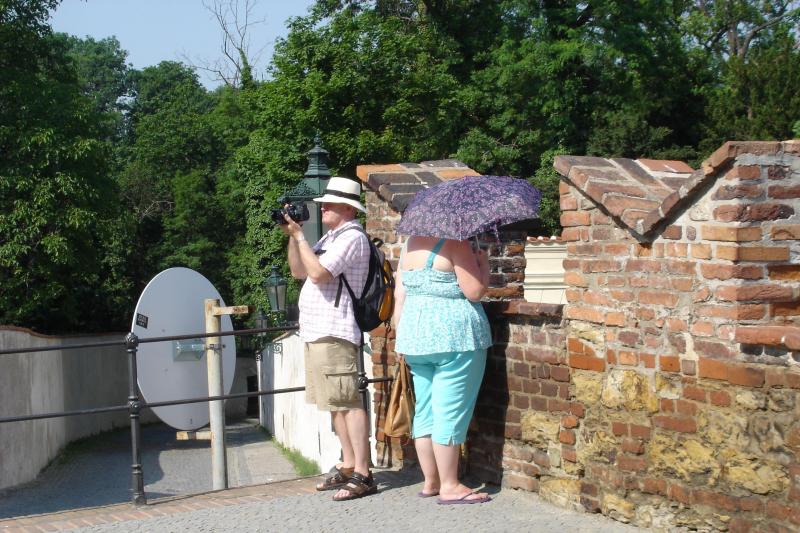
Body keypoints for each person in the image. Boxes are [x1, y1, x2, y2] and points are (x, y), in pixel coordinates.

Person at [279, 176, 376, 502]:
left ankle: (363, 472)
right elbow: (299, 271)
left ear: (348, 208)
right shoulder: (331, 237)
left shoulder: (352, 237)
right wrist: (295, 238)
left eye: (329, 204)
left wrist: (301, 238)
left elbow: (320, 273)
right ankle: (348, 464)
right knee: (334, 402)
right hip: (318, 331)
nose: (323, 209)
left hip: (336, 329)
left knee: (348, 401)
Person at [393, 235, 492, 505]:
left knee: (425, 410)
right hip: (455, 337)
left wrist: (399, 337)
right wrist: (483, 264)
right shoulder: (455, 244)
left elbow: (399, 295)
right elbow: (474, 291)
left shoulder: (409, 244)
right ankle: (450, 485)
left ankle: (431, 481)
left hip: (414, 336)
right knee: (449, 410)